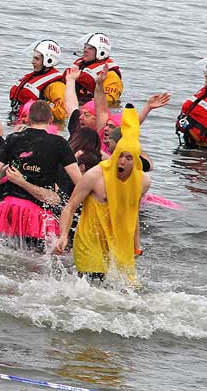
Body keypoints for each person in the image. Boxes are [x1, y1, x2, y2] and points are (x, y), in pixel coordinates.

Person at [54, 104, 151, 283]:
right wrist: (63, 235)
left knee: (126, 291)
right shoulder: (95, 176)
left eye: (128, 158)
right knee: (93, 289)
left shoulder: (143, 181)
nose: (122, 161)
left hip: (118, 241)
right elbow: (70, 206)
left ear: (136, 160)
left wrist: (136, 244)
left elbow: (133, 212)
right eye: (119, 156)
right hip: (89, 240)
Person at [0, 101, 82, 249]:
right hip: (36, 213)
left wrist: (10, 167)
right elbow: (80, 182)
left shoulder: (13, 138)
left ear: (28, 119)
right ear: (51, 120)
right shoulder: (59, 143)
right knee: (33, 259)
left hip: (9, 208)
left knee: (6, 253)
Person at [10, 40, 67, 122]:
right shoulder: (32, 77)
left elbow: (61, 113)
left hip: (38, 125)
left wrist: (39, 105)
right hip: (18, 119)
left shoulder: (56, 85)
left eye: (36, 59)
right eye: (33, 58)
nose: (32, 62)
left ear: (48, 60)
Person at [64, 32, 123, 105]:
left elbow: (109, 100)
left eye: (90, 48)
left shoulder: (111, 75)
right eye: (85, 47)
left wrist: (84, 101)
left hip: (91, 111)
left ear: (101, 51)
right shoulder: (80, 66)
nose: (85, 50)